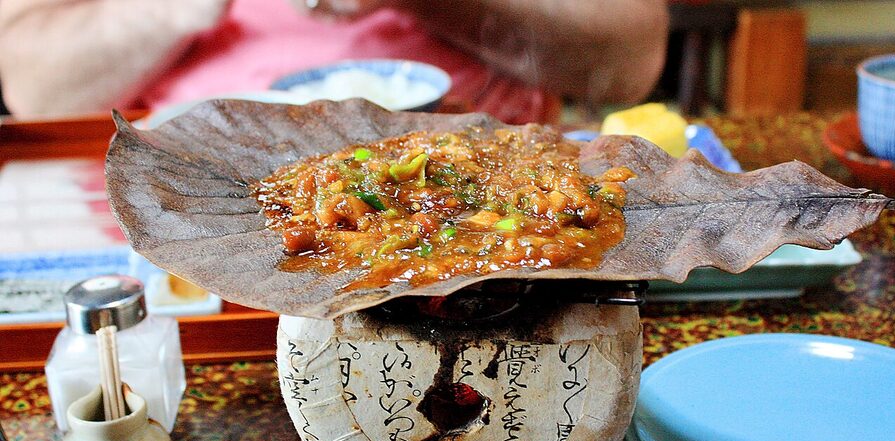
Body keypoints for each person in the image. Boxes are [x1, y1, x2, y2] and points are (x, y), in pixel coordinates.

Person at [0, 0, 668, 124]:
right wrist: (165, 11)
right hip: (191, 216)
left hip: (480, 201)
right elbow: (32, 86)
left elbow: (632, 59)